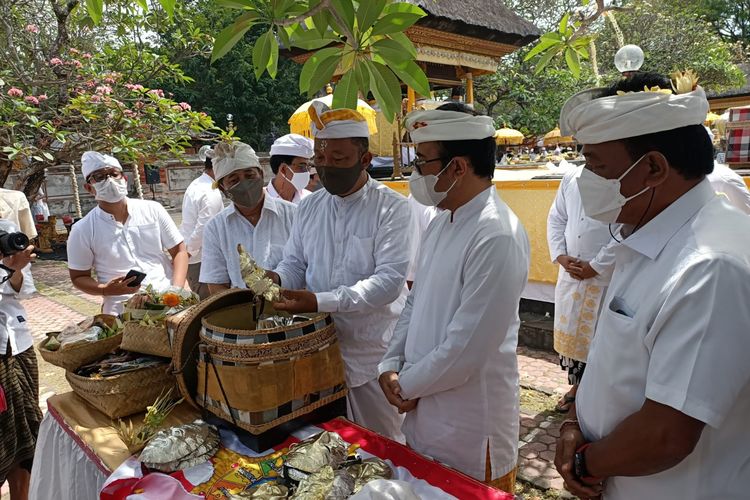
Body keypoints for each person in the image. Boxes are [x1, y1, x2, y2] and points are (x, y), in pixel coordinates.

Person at [553, 72, 750, 500]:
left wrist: (585, 463)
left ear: (654, 168)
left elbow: (666, 435)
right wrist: (574, 424)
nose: (585, 179)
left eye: (596, 166)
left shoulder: (709, 267)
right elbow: (615, 363)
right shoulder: (646, 236)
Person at [378, 103, 530, 491]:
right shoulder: (441, 220)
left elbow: (465, 349)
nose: (416, 172)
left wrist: (405, 385)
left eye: (423, 161)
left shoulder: (495, 235)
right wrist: (390, 364)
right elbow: (415, 299)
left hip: (469, 424)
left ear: (458, 167)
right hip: (422, 407)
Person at [268, 102, 414, 442]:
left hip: (374, 354)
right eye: (320, 159)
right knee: (329, 444)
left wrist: (318, 301)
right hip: (320, 352)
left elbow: (388, 283)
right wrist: (274, 280)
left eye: (339, 160)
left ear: (364, 160)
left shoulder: (392, 208)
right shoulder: (309, 206)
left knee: (384, 445)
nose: (326, 167)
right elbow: (295, 263)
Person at [67, 151, 188, 315]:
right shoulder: (82, 229)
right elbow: (78, 277)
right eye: (100, 177)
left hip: (169, 300)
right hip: (122, 310)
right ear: (89, 188)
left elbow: (179, 251)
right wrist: (105, 290)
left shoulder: (152, 210)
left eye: (113, 174)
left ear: (124, 179)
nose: (109, 180)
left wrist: (177, 288)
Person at [547, 165, 618, 413]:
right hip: (571, 273)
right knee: (573, 336)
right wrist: (560, 255)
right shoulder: (571, 176)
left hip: (603, 276)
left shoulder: (618, 175)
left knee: (598, 338)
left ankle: (594, 396)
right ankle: (576, 388)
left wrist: (597, 265)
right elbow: (557, 217)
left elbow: (624, 228)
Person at [200, 142, 296, 295]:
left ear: (261, 175)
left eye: (249, 175)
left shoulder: (294, 215)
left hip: (295, 312)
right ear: (223, 189)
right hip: (243, 314)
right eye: (234, 180)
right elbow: (216, 285)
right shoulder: (216, 228)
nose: (244, 183)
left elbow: (309, 268)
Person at [0, 220, 42, 500]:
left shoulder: (6, 227)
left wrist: (14, 267)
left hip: (19, 344)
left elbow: (25, 289)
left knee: (28, 431)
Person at [180, 145, 224, 299]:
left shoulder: (198, 184)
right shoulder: (210, 191)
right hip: (200, 258)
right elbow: (204, 227)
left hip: (195, 255)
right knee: (208, 303)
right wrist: (189, 252)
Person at [267, 134, 314, 204]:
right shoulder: (262, 200)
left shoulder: (310, 200)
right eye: (302, 166)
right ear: (283, 169)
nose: (307, 172)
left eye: (308, 167)